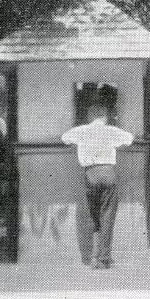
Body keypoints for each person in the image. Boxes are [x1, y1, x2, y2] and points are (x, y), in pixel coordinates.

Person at [61, 103, 133, 269]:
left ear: (89, 117)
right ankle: (104, 258)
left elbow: (65, 138)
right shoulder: (111, 130)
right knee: (107, 216)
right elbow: (129, 139)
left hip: (90, 173)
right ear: (105, 117)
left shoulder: (81, 130)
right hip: (108, 173)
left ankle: (91, 258)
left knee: (90, 216)